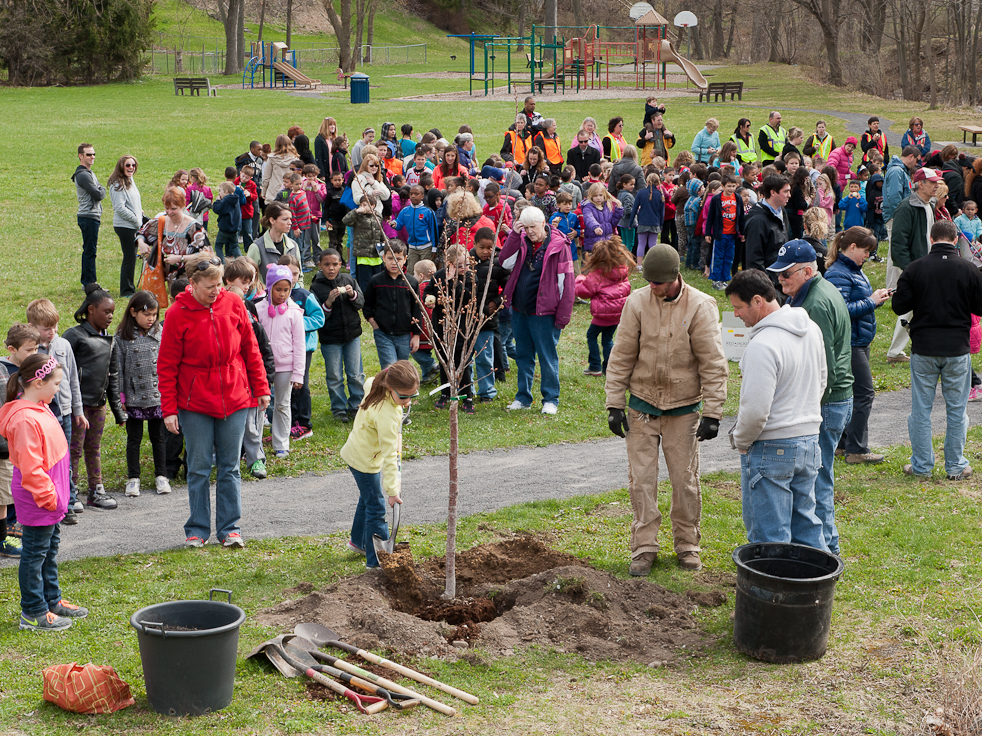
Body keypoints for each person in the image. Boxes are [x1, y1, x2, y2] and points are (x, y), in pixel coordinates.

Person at [605, 245, 727, 575]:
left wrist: (713, 413)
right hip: (642, 406)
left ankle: (687, 544)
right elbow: (622, 355)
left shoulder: (701, 306)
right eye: (650, 282)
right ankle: (644, 546)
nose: (653, 288)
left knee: (684, 481)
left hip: (684, 408)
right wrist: (615, 404)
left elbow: (713, 363)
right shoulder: (637, 303)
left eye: (658, 283)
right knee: (641, 481)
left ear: (674, 278)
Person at [158, 253, 270, 548]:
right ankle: (196, 529)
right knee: (198, 467)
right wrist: (169, 409)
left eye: (220, 284)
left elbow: (251, 349)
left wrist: (261, 388)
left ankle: (230, 529)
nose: (217, 290)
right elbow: (167, 365)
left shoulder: (234, 304)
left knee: (230, 465)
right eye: (210, 286)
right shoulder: (176, 313)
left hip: (235, 396)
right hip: (194, 403)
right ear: (193, 283)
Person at [725, 270, 828, 551]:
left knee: (770, 535)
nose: (735, 315)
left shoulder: (763, 345)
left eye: (738, 307)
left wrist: (742, 441)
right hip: (808, 441)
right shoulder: (811, 329)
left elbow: (756, 409)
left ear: (757, 301)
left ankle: (771, 593)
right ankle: (814, 589)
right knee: (806, 524)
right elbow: (821, 381)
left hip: (771, 447)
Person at [767, 240, 853, 555]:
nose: (780, 280)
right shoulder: (819, 291)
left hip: (827, 402)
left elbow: (821, 365)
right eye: (777, 274)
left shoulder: (813, 305)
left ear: (807, 270)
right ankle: (826, 546)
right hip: (835, 398)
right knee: (819, 476)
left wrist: (807, 406)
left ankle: (827, 549)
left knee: (817, 480)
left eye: (786, 274)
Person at [0, 354, 90, 631]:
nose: (58, 389)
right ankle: (33, 612)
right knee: (35, 553)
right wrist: (49, 497)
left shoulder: (40, 407)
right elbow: (31, 468)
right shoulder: (25, 419)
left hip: (51, 500)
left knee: (48, 550)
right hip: (40, 499)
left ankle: (52, 601)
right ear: (38, 382)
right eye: (56, 384)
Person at [893, 220, 982, 480]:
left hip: (924, 346)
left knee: (921, 409)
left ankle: (921, 466)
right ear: (955, 240)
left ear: (931, 239)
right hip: (956, 347)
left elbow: (899, 306)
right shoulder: (968, 269)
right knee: (956, 409)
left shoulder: (915, 268)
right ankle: (955, 465)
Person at [340, 360, 418, 568]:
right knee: (376, 507)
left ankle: (358, 542)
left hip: (356, 452)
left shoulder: (376, 384)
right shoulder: (388, 415)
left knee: (367, 498)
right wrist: (392, 491)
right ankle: (376, 562)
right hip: (365, 462)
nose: (408, 401)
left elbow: (373, 379)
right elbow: (392, 456)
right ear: (390, 387)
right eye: (403, 396)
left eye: (412, 396)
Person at [824, 227, 890, 466]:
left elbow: (857, 303)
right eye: (866, 250)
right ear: (852, 247)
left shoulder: (853, 270)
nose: (868, 256)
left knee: (852, 394)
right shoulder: (838, 274)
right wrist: (870, 301)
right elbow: (841, 310)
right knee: (864, 393)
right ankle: (857, 449)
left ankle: (844, 444)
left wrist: (875, 300)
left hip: (859, 340)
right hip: (849, 343)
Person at [499, 207, 574, 415]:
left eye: (533, 227)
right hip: (520, 308)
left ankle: (551, 399)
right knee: (523, 355)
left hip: (544, 312)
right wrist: (514, 235)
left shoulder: (559, 245)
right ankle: (523, 397)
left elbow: (566, 284)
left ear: (544, 224)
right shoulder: (521, 239)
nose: (530, 231)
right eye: (526, 227)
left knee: (547, 356)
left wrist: (563, 316)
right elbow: (505, 262)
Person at [63, 284, 125, 511]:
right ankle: (71, 492)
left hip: (98, 406)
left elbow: (113, 375)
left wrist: (118, 410)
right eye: (106, 312)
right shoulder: (73, 335)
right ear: (91, 309)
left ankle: (96, 490)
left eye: (112, 312)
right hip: (76, 407)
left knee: (94, 448)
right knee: (74, 449)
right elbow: (61, 370)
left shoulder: (110, 340)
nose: (110, 316)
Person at [27, 300, 86, 525]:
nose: (52, 332)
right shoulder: (31, 351)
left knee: (65, 459)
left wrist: (78, 410)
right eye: (46, 328)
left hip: (65, 412)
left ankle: (68, 502)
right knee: (46, 459)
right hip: (42, 415)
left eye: (54, 326)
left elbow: (72, 381)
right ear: (32, 326)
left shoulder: (63, 345)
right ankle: (49, 500)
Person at [113, 291, 169, 499]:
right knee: (134, 439)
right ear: (133, 312)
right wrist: (122, 397)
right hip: (134, 397)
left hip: (157, 395)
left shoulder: (160, 333)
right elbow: (117, 369)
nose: (151, 319)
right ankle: (133, 478)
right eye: (147, 314)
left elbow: (167, 363)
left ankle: (161, 475)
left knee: (159, 437)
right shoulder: (121, 338)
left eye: (154, 314)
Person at [886, 167, 940, 364]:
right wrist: (909, 269)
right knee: (910, 306)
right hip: (914, 268)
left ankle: (899, 350)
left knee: (917, 307)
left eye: (936, 182)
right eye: (932, 182)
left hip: (926, 265)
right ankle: (896, 351)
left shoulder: (929, 205)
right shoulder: (906, 207)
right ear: (920, 184)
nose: (936, 185)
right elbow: (898, 243)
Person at [256, 265, 306, 459]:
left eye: (286, 290)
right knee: (260, 404)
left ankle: (281, 444)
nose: (282, 294)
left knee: (283, 404)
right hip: (262, 366)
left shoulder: (294, 312)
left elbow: (299, 344)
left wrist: (298, 373)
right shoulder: (259, 309)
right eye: (278, 289)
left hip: (285, 367)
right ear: (269, 287)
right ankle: (255, 443)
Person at [575, 236, 633, 376]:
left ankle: (595, 366)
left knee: (592, 335)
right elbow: (626, 289)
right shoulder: (621, 271)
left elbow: (583, 292)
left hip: (602, 314)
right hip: (617, 315)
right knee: (607, 339)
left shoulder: (597, 275)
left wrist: (579, 279)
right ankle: (608, 367)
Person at [364, 241, 422, 369]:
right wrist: (373, 323)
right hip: (383, 333)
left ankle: (399, 390)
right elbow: (367, 304)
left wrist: (416, 335)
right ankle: (389, 389)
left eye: (398, 258)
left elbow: (417, 309)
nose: (394, 262)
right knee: (389, 369)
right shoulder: (376, 281)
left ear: (405, 259)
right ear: (384, 258)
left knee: (401, 369)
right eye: (390, 258)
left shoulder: (411, 282)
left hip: (404, 334)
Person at [136, 188, 208, 286]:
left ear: (182, 206)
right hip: (169, 277)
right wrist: (141, 243)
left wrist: (179, 258)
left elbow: (206, 255)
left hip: (189, 277)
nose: (169, 212)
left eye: (174, 209)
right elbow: (142, 232)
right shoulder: (161, 222)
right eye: (167, 208)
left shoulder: (194, 227)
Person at [471, 231, 507, 402]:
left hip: (487, 317)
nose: (486, 251)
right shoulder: (465, 260)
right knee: (466, 359)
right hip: (467, 318)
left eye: (490, 248)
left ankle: (486, 392)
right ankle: (467, 389)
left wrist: (497, 302)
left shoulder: (499, 263)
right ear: (474, 244)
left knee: (485, 356)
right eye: (482, 248)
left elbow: (509, 287)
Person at [743, 174, 792, 291]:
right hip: (767, 286)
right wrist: (768, 285)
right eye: (785, 191)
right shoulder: (757, 221)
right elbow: (754, 260)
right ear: (773, 192)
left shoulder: (782, 211)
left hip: (780, 280)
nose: (789, 195)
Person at [107, 155, 143, 297]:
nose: (131, 168)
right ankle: (126, 290)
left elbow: (132, 201)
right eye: (128, 165)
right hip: (125, 226)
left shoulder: (130, 180)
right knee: (130, 257)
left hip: (133, 223)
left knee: (132, 256)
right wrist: (136, 220)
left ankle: (130, 287)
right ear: (121, 166)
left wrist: (139, 212)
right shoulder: (118, 184)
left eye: (133, 165)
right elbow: (120, 208)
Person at [705, 173, 746, 289]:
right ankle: (716, 279)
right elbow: (710, 218)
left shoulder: (737, 198)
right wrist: (708, 233)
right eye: (728, 186)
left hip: (732, 233)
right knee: (718, 257)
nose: (731, 189)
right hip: (720, 234)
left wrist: (742, 232)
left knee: (729, 257)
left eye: (733, 186)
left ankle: (725, 279)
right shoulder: (716, 199)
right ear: (722, 186)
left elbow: (741, 216)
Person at [73, 143, 106, 287]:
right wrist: (101, 189)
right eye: (88, 154)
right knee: (90, 251)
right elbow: (99, 194)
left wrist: (100, 188)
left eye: (93, 154)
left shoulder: (89, 173)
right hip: (88, 216)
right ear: (81, 156)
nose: (92, 157)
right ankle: (89, 283)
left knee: (90, 249)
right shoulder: (83, 175)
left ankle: (88, 282)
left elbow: (100, 190)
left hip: (92, 216)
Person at [248, 201, 302, 280]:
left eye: (290, 219)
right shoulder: (256, 248)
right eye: (285, 219)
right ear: (272, 220)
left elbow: (300, 276)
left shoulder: (293, 245)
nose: (290, 223)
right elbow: (248, 277)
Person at [630, 173, 665, 266]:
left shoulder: (641, 193)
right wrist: (661, 224)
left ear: (647, 181)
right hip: (655, 222)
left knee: (641, 244)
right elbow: (662, 212)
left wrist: (630, 222)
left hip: (643, 222)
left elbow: (634, 209)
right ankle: (653, 265)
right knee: (653, 245)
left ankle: (639, 265)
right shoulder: (660, 194)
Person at [582, 183, 623, 255]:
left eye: (600, 195)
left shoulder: (607, 206)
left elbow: (612, 223)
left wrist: (618, 211)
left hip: (607, 243)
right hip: (594, 244)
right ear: (591, 196)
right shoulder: (587, 208)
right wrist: (595, 227)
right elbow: (589, 218)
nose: (598, 198)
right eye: (595, 195)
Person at [211, 181, 245, 264]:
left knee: (218, 246)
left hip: (224, 229)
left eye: (220, 191)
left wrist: (217, 201)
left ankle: (222, 264)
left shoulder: (226, 200)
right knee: (235, 246)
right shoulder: (236, 199)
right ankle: (242, 262)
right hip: (235, 229)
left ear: (226, 191)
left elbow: (217, 209)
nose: (219, 193)